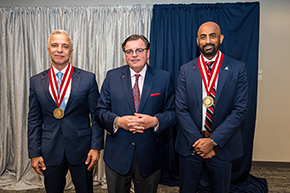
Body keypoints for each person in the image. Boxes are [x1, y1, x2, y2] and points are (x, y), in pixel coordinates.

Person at [95, 34, 176, 193]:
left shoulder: (164, 78)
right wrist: (118, 121)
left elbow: (173, 113)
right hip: (117, 155)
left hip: (150, 154)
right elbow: (100, 111)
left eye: (139, 50)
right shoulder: (112, 76)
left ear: (148, 52)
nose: (134, 55)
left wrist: (155, 121)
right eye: (129, 51)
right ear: (125, 55)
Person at [175, 21, 248, 193]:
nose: (208, 41)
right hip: (190, 146)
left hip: (222, 146)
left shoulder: (238, 68)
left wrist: (213, 142)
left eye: (212, 36)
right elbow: (180, 108)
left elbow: (240, 110)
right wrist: (198, 143)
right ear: (197, 41)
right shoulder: (186, 69)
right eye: (203, 37)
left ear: (221, 38)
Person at [27, 30, 104, 193]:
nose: (59, 50)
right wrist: (34, 153)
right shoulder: (36, 81)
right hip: (50, 149)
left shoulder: (87, 78)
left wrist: (95, 148)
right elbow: (34, 119)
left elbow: (96, 116)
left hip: (82, 150)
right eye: (55, 45)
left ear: (71, 51)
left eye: (65, 46)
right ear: (48, 49)